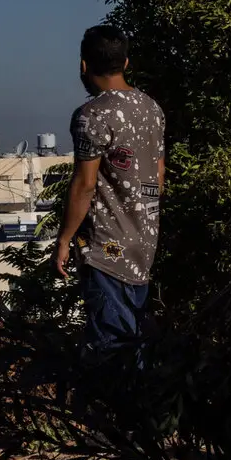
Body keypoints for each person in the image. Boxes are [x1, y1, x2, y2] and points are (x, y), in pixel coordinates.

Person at [54, 25, 165, 350]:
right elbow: (158, 175)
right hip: (144, 247)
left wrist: (64, 240)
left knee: (111, 350)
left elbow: (84, 185)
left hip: (106, 250)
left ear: (83, 65)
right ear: (126, 62)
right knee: (136, 343)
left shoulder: (91, 116)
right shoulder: (152, 109)